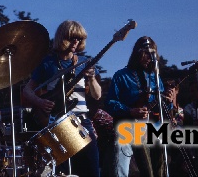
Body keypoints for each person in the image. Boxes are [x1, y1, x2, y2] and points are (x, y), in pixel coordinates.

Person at [23, 20, 101, 177]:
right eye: (72, 38)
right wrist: (40, 102)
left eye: (79, 39)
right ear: (62, 38)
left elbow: (97, 95)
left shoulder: (85, 62)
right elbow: (27, 90)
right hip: (57, 122)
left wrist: (92, 79)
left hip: (82, 121)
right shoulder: (48, 63)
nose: (75, 42)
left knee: (92, 168)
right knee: (62, 172)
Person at [104, 36, 174, 177]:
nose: (150, 57)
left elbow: (161, 106)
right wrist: (130, 110)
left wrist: (168, 100)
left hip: (153, 127)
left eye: (152, 53)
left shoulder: (155, 77)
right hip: (129, 127)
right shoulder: (121, 75)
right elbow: (110, 103)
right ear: (137, 53)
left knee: (161, 158)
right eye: (146, 53)